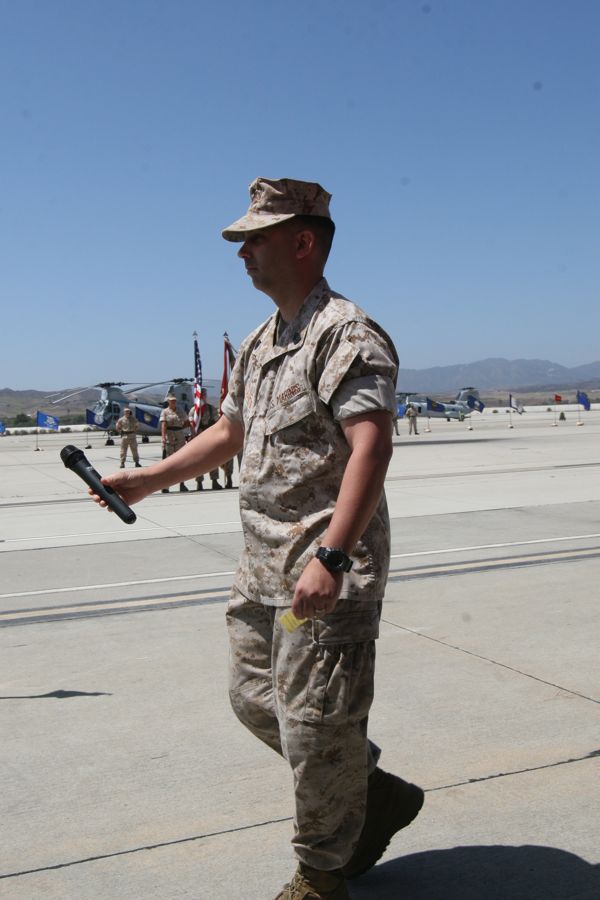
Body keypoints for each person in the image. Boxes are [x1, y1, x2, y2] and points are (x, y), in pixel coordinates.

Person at [90, 177, 424, 900]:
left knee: (313, 724)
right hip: (263, 564)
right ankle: (371, 791)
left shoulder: (347, 333)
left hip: (326, 565)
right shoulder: (263, 338)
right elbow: (231, 432)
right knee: (253, 699)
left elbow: (371, 447)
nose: (242, 254)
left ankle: (321, 872)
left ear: (303, 242)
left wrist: (333, 557)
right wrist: (150, 479)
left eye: (256, 240)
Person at [189, 389, 229, 490]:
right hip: (198, 438)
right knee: (198, 461)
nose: (203, 396)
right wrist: (193, 435)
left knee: (213, 459)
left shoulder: (211, 409)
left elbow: (217, 423)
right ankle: (199, 482)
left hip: (210, 437)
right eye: (201, 395)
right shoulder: (194, 410)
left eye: (204, 395)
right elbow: (191, 424)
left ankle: (214, 480)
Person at [159, 394, 190, 492]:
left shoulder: (180, 411)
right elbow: (163, 425)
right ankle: (165, 486)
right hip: (169, 437)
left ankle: (182, 484)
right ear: (168, 402)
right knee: (167, 463)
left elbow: (187, 421)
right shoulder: (165, 412)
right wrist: (163, 437)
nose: (173, 402)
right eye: (172, 401)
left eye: (175, 401)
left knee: (181, 462)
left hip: (179, 436)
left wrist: (180, 429)